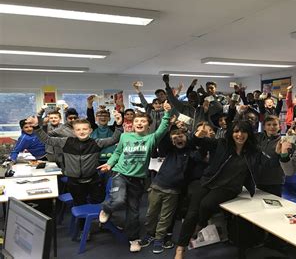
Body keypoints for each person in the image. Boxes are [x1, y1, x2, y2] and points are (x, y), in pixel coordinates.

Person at [174, 120, 266, 259]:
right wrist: (198, 136)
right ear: (231, 133)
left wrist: (282, 154)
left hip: (230, 188)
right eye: (236, 131)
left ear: (249, 134)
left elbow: (268, 163)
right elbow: (193, 144)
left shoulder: (253, 151)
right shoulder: (221, 144)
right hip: (209, 181)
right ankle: (180, 249)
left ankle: (201, 224)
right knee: (191, 213)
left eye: (243, 132)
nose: (239, 135)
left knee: (207, 204)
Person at [97, 101, 172, 252]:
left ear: (148, 126)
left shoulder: (151, 139)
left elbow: (163, 128)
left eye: (143, 121)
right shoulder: (125, 136)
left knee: (134, 212)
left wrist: (167, 114)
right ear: (132, 124)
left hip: (138, 179)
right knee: (118, 200)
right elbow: (117, 153)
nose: (139, 123)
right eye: (137, 121)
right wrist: (110, 164)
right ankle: (106, 208)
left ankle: (133, 239)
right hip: (120, 173)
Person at [27, 112, 123, 207]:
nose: (81, 132)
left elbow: (114, 139)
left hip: (93, 181)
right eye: (78, 129)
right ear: (74, 132)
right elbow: (47, 139)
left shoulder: (96, 143)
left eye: (85, 129)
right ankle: (81, 222)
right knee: (79, 204)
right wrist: (36, 126)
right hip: (74, 182)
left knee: (96, 204)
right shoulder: (66, 142)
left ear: (90, 130)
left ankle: (96, 222)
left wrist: (118, 125)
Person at [139, 127, 195, 253]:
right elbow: (163, 144)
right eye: (175, 138)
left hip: (173, 191)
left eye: (181, 136)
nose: (178, 138)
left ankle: (159, 238)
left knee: (165, 217)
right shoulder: (170, 151)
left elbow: (193, 142)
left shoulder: (190, 151)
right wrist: (169, 130)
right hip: (158, 186)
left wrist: (185, 134)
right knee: (151, 213)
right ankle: (150, 233)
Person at [256, 115, 285, 196]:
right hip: (260, 179)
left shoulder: (283, 141)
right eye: (268, 124)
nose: (272, 127)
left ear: (280, 127)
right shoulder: (260, 139)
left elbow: (282, 161)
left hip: (275, 181)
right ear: (264, 127)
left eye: (275, 124)